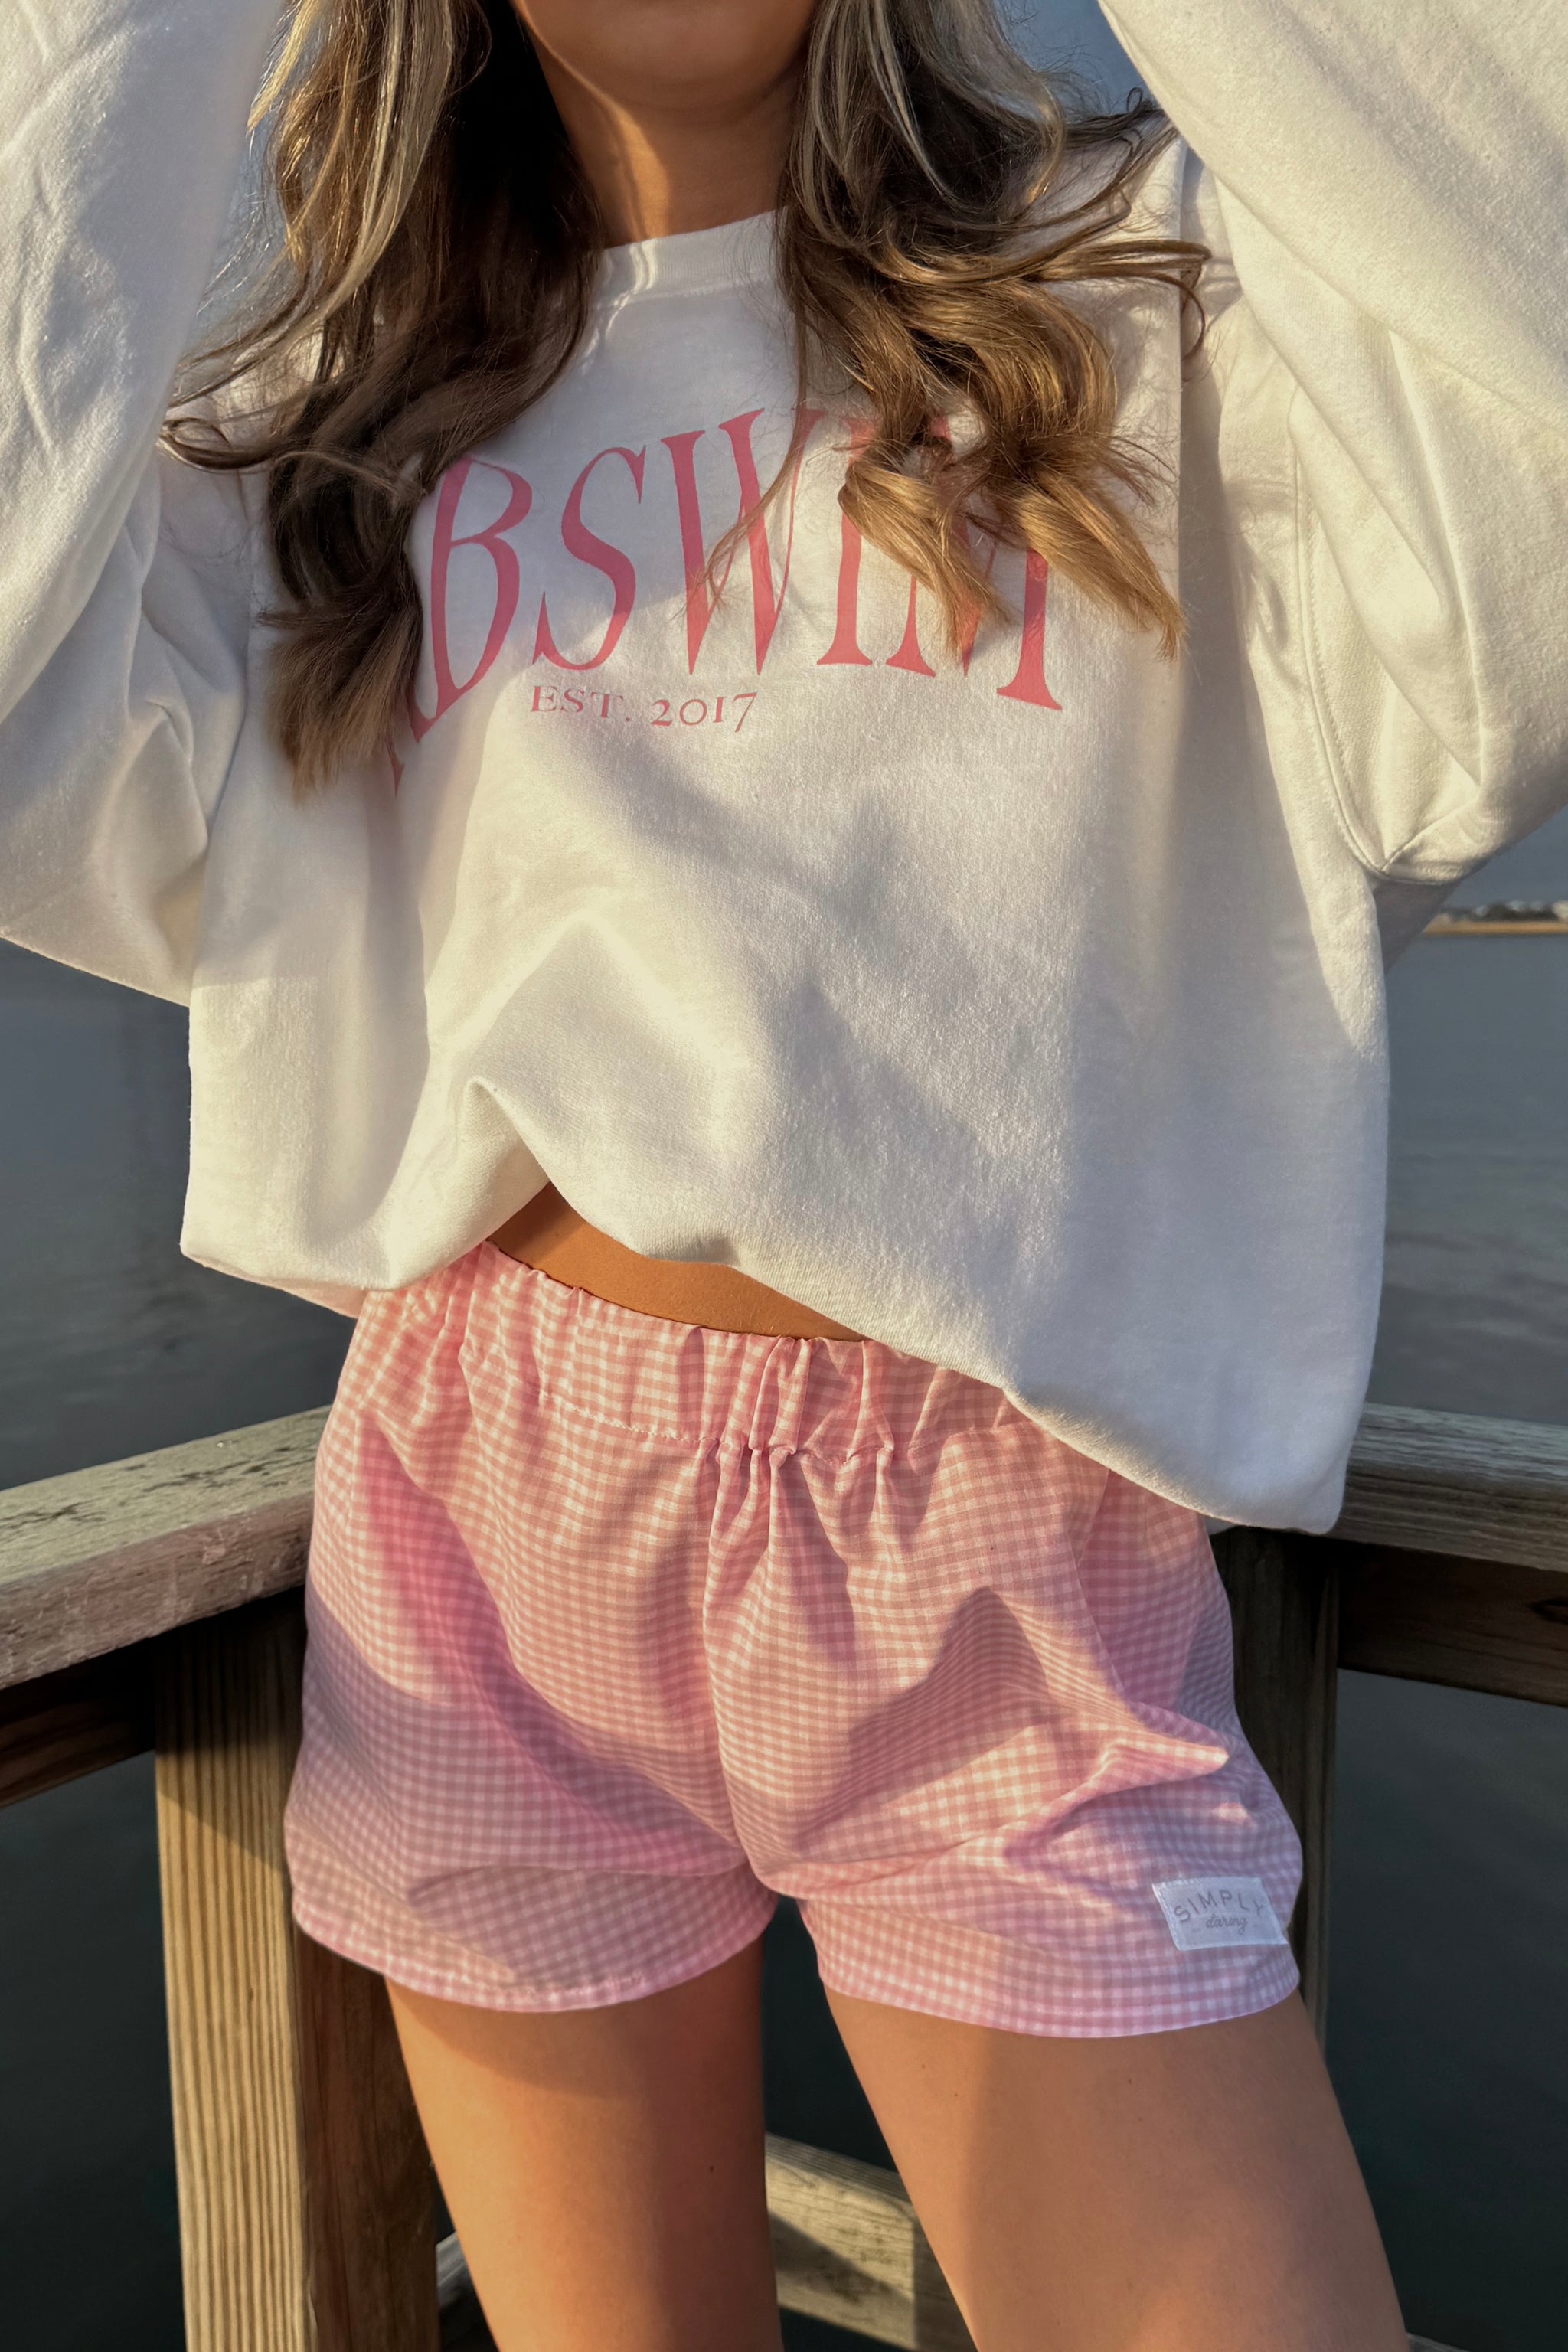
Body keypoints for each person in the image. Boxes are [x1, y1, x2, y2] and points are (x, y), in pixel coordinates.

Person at [3, 0, 1565, 2343]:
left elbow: (1522, 454)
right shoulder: (332, 413)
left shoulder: (1156, 294)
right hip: (491, 1526)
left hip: (1000, 1557)